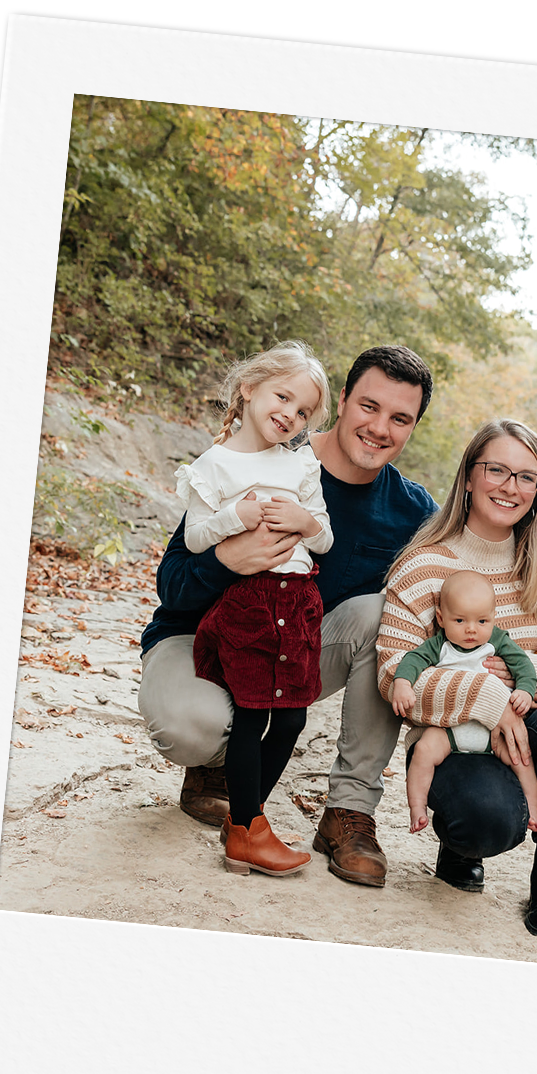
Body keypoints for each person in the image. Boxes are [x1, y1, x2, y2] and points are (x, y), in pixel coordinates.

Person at [140, 344, 440, 886]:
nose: (379, 428)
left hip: (295, 648)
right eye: (369, 407)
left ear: (413, 427)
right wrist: (226, 560)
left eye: (400, 418)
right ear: (343, 400)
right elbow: (173, 585)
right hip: (201, 637)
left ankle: (349, 811)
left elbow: (468, 584)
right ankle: (214, 765)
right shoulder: (261, 459)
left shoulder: (414, 512)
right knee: (192, 726)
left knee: (383, 614)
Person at [375, 419, 537, 940]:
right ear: (468, 478)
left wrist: (527, 677)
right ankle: (461, 846)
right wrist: (487, 698)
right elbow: (393, 675)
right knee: (485, 823)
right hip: (454, 742)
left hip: (530, 725)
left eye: (526, 477)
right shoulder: (423, 565)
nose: (510, 486)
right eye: (497, 470)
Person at [177, 342, 334, 876]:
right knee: (251, 714)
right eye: (282, 396)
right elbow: (196, 538)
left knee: (292, 716)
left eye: (303, 410)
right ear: (248, 389)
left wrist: (305, 521)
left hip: (298, 599)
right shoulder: (213, 466)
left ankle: (246, 819)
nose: (289, 414)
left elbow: (325, 539)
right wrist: (235, 516)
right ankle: (249, 831)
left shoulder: (301, 464)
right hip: (247, 603)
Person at [391, 570, 537, 836]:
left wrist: (525, 692)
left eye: (482, 620)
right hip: (450, 730)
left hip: (491, 733)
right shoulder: (439, 645)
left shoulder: (497, 641)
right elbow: (412, 661)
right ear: (441, 618)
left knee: (522, 760)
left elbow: (524, 666)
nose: (471, 629)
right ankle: (417, 809)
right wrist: (403, 683)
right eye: (460, 620)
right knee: (424, 752)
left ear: (493, 618)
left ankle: (533, 810)